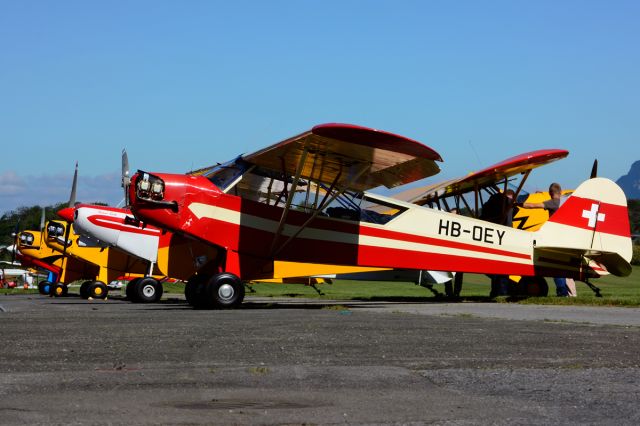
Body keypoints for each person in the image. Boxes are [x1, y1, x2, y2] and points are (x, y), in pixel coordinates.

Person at [518, 182, 571, 297]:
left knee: (555, 266)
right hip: (563, 237)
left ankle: (562, 292)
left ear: (551, 193)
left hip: (554, 238)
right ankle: (563, 291)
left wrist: (519, 204)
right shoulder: (566, 202)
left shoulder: (553, 202)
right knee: (558, 266)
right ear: (560, 192)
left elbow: (533, 206)